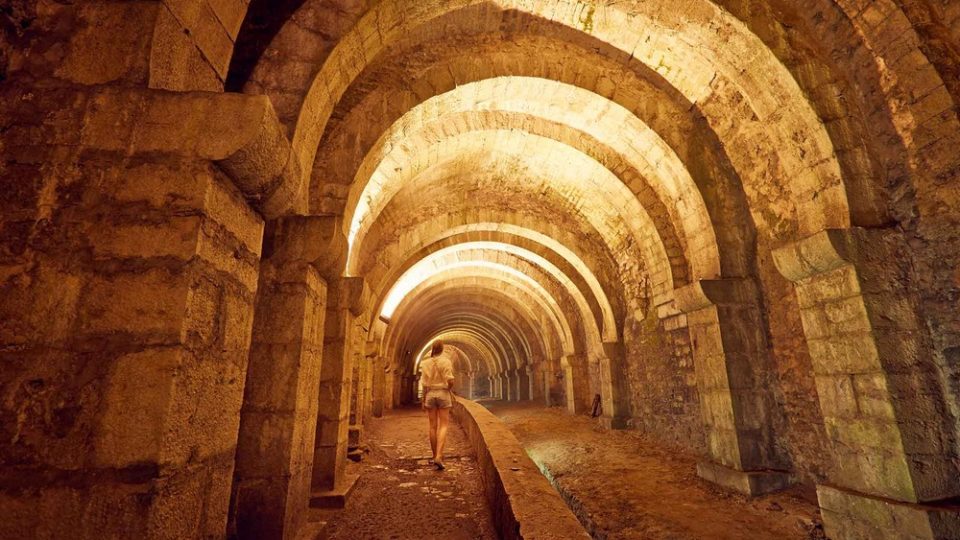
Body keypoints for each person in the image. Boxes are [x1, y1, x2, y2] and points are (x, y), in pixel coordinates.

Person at [419, 340, 456, 470]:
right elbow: (450, 380)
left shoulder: (425, 363)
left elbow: (424, 384)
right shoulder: (445, 361)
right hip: (443, 393)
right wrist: (449, 388)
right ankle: (439, 456)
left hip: (430, 394)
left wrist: (423, 400)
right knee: (444, 425)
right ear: (442, 349)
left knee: (432, 426)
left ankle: (434, 455)